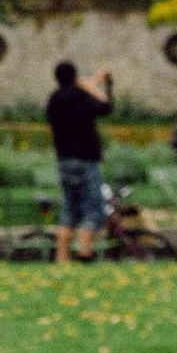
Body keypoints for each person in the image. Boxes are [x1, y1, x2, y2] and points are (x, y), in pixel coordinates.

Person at [44, 56, 113, 262]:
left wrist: (91, 82)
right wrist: (97, 85)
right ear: (75, 77)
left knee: (69, 211)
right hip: (85, 160)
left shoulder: (55, 99)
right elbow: (105, 106)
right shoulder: (81, 97)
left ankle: (62, 258)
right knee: (94, 208)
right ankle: (84, 252)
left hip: (64, 161)